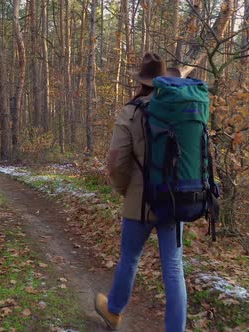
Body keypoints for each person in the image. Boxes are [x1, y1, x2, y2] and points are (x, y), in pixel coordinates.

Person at [94, 53, 187, 332]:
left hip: (140, 202)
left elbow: (116, 162)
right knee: (173, 268)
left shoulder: (132, 112)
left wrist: (124, 190)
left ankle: (114, 313)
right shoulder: (181, 110)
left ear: (141, 82)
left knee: (130, 258)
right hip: (175, 201)